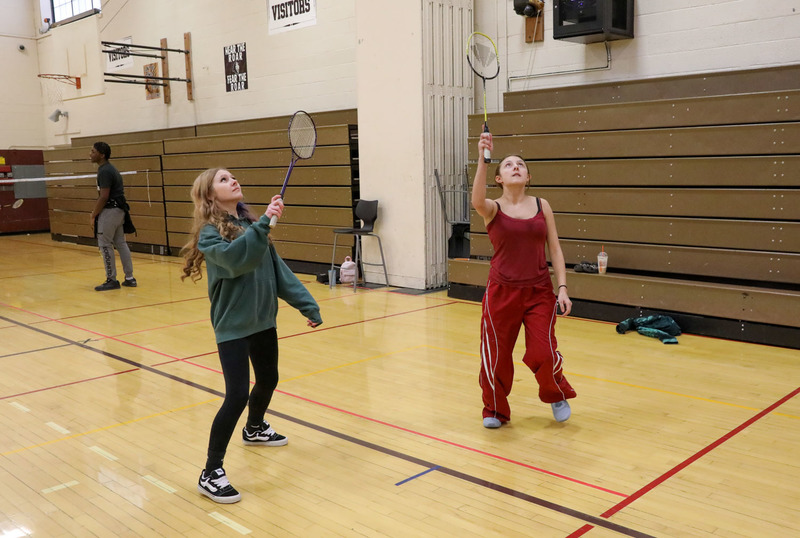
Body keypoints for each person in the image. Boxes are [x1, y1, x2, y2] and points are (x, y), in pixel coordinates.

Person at [181, 168, 322, 504]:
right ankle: (210, 471)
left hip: (263, 321)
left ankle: (255, 428)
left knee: (269, 379)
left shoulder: (250, 227)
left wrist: (308, 305)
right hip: (233, 327)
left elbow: (279, 272)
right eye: (224, 179)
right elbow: (235, 261)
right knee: (236, 396)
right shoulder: (209, 235)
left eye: (233, 177)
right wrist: (264, 225)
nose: (233, 181)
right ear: (210, 195)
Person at [471, 130, 576, 428]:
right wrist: (482, 156)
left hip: (539, 291)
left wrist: (563, 289)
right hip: (501, 292)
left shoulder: (543, 206)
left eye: (520, 164)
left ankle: (555, 392)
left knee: (543, 350)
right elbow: (476, 199)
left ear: (528, 176)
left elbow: (554, 248)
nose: (515, 166)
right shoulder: (493, 208)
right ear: (499, 178)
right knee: (496, 356)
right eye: (507, 165)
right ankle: (494, 410)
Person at [89, 141, 136, 291]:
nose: (90, 154)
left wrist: (93, 214)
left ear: (102, 155)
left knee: (104, 244)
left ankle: (111, 279)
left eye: (93, 151)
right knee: (120, 243)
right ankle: (129, 278)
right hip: (119, 211)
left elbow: (103, 196)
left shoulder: (105, 171)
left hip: (110, 211)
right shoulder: (109, 169)